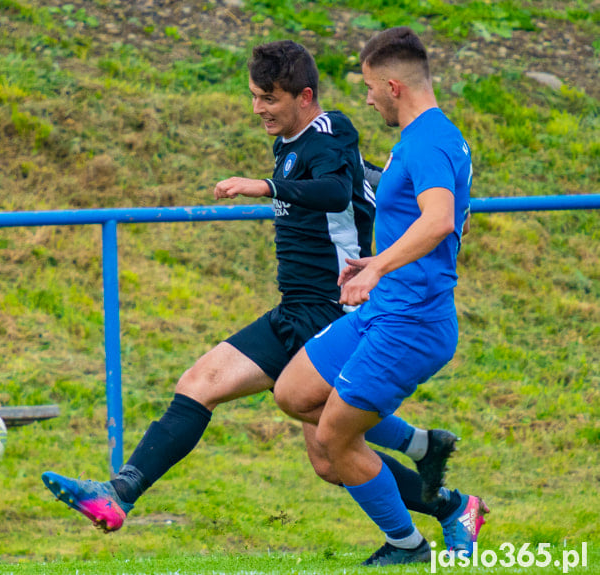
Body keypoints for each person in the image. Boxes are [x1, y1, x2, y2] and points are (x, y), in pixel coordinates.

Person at [41, 39, 483, 553]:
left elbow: (349, 194)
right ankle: (120, 493)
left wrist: (271, 191)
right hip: (301, 307)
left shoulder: (338, 130)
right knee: (208, 385)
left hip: (336, 307)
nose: (258, 108)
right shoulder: (318, 145)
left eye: (268, 98)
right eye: (254, 96)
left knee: (331, 448)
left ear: (303, 96)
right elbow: (393, 196)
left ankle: (427, 520)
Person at [272, 27, 485, 567]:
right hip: (383, 310)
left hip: (411, 323)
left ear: (394, 85)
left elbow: (438, 220)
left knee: (334, 444)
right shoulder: (426, 139)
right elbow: (441, 215)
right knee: (294, 393)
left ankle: (408, 546)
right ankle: (423, 447)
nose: (365, 98)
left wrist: (377, 265)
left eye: (369, 87)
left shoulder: (428, 141)